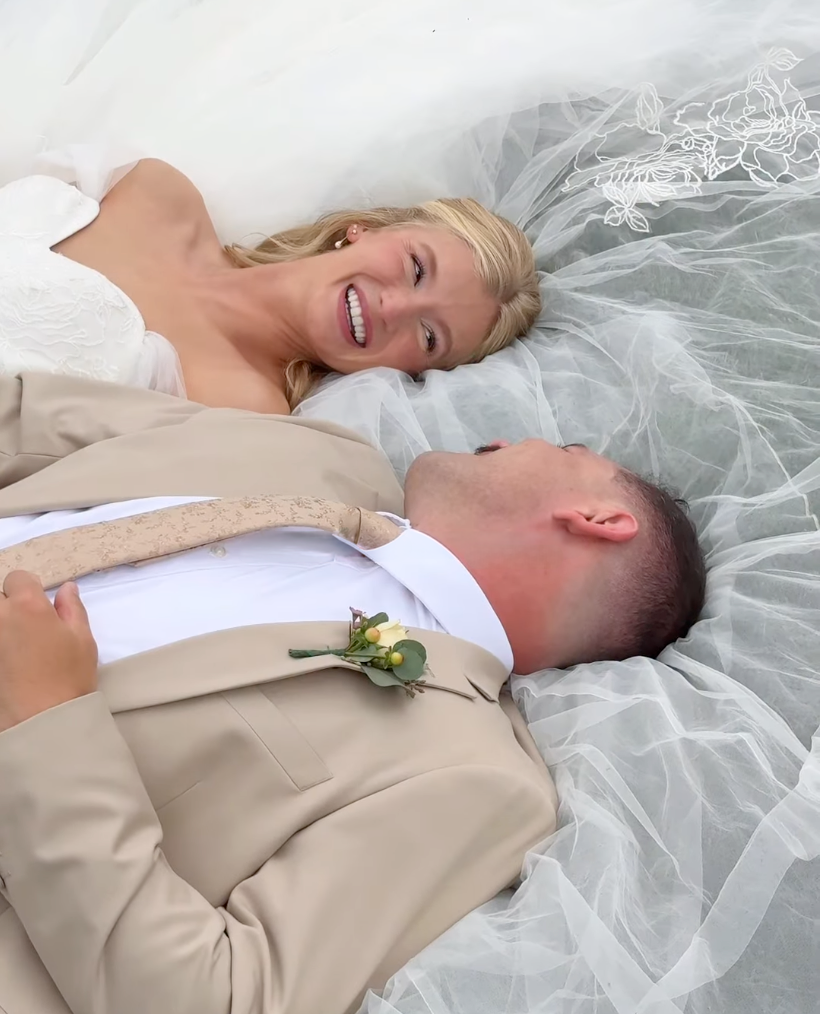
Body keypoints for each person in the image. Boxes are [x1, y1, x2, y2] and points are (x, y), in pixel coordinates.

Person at [0, 372, 705, 1014]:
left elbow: (223, 999)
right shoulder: (326, 450)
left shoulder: (478, 780)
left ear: (598, 519)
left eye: (566, 446)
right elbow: (27, 418)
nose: (504, 438)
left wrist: (52, 722)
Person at [0, 150, 541, 414]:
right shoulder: (162, 195)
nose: (392, 307)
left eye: (429, 337)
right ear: (367, 230)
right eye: (416, 268)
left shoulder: (242, 412)